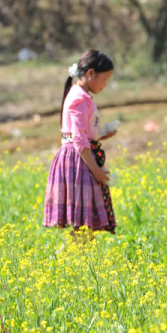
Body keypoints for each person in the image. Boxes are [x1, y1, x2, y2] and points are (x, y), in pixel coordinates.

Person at [43, 50, 118, 235]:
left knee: (85, 226)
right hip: (79, 161)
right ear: (91, 73)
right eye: (105, 78)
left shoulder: (81, 96)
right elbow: (78, 139)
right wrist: (97, 171)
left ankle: (74, 261)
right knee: (84, 225)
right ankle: (67, 261)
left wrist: (101, 135)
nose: (105, 84)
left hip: (80, 157)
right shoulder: (78, 98)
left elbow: (82, 132)